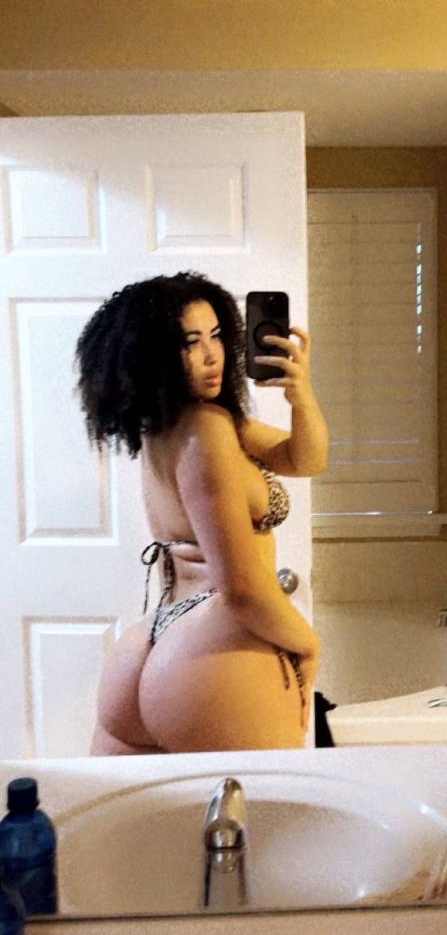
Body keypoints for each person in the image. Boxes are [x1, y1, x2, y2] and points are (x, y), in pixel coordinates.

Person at [75, 271, 327, 754]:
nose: (213, 355)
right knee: (258, 805)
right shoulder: (206, 428)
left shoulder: (167, 424)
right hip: (214, 650)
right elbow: (242, 589)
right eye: (190, 343)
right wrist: (307, 644)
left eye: (216, 335)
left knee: (131, 807)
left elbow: (303, 459)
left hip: (150, 643)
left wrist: (301, 396)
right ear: (151, 356)